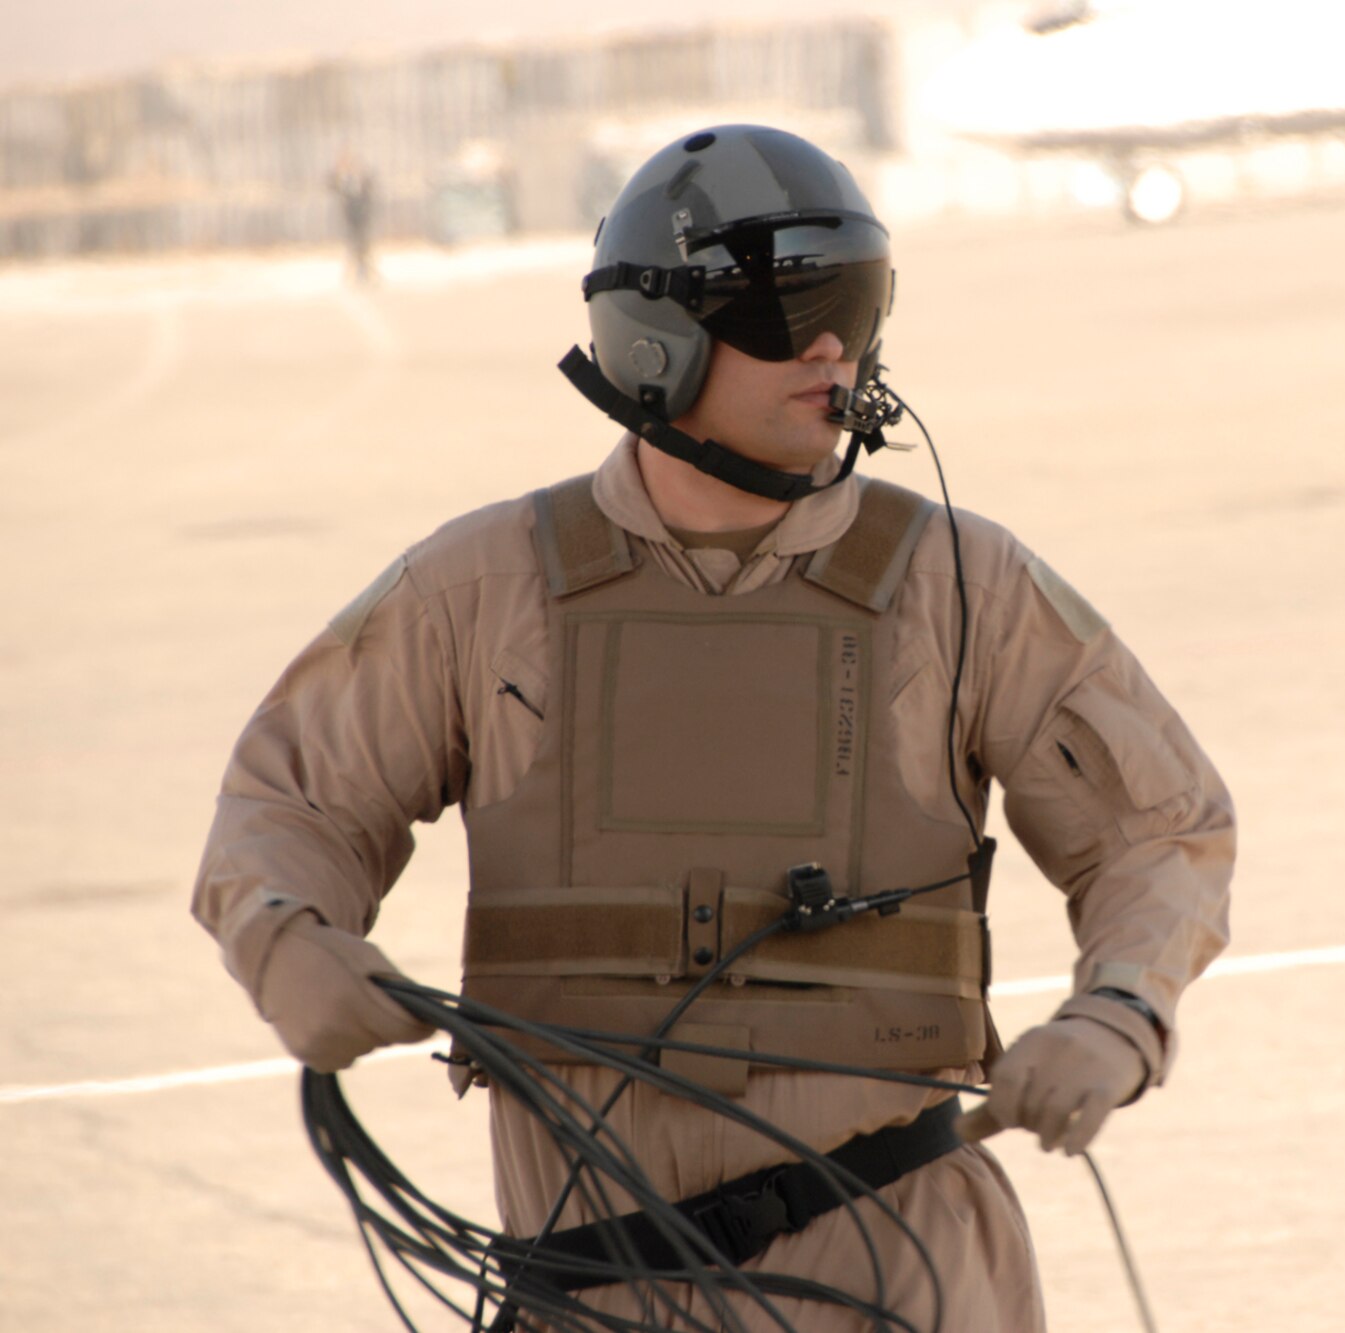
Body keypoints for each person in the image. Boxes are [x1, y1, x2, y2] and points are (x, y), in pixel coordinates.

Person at [193, 124, 1234, 1331]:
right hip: (594, 1284)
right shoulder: (480, 591)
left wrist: (1119, 1012)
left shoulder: (962, 582)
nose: (834, 345)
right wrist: (285, 938)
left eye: (853, 301)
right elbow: (289, 804)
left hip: (902, 1276)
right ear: (656, 338)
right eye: (788, 310)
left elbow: (1162, 828)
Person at [328, 146, 377, 285]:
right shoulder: (344, 181)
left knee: (363, 247)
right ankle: (356, 274)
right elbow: (331, 184)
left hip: (363, 218)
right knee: (353, 247)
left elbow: (370, 186)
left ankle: (365, 274)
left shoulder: (362, 180)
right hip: (350, 219)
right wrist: (339, 171)